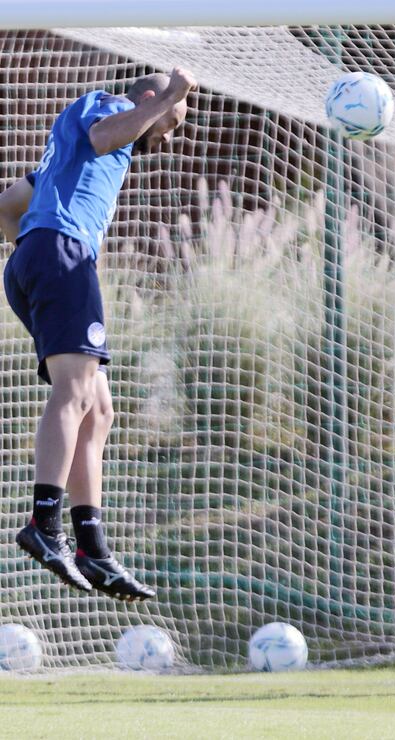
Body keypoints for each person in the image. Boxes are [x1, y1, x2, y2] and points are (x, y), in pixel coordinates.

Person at [0, 67, 197, 601]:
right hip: (61, 255)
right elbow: (107, 133)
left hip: (43, 258)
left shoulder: (70, 161)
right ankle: (45, 524)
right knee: (75, 393)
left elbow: (6, 205)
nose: (170, 131)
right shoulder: (104, 108)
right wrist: (173, 96)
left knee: (99, 408)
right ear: (150, 99)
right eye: (172, 119)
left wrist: (32, 250)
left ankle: (93, 548)